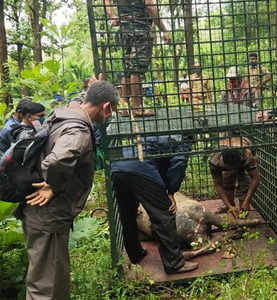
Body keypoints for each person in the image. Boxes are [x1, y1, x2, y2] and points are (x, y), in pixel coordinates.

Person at [22, 80, 119, 299]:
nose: (109, 117)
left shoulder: (70, 111)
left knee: (48, 278)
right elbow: (57, 161)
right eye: (111, 111)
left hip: (41, 216)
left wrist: (92, 87)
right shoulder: (79, 132)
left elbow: (81, 98)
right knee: (46, 287)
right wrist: (53, 186)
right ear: (106, 107)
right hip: (48, 216)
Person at [111, 135, 199, 274]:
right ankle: (174, 264)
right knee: (164, 214)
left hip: (117, 168)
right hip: (141, 167)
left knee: (128, 213)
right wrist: (171, 191)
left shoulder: (158, 131)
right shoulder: (183, 140)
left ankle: (135, 253)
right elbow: (179, 163)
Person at [105, 0, 171, 117]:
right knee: (137, 67)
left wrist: (112, 15)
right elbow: (149, 5)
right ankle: (137, 107)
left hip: (125, 29)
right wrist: (164, 29)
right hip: (140, 28)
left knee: (128, 67)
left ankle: (124, 106)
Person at [210, 137, 260, 219]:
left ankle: (243, 211)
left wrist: (247, 201)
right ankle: (231, 207)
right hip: (229, 162)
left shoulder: (247, 155)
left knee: (244, 183)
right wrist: (230, 206)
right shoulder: (215, 160)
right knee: (227, 182)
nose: (233, 170)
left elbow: (255, 178)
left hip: (244, 151)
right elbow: (218, 185)